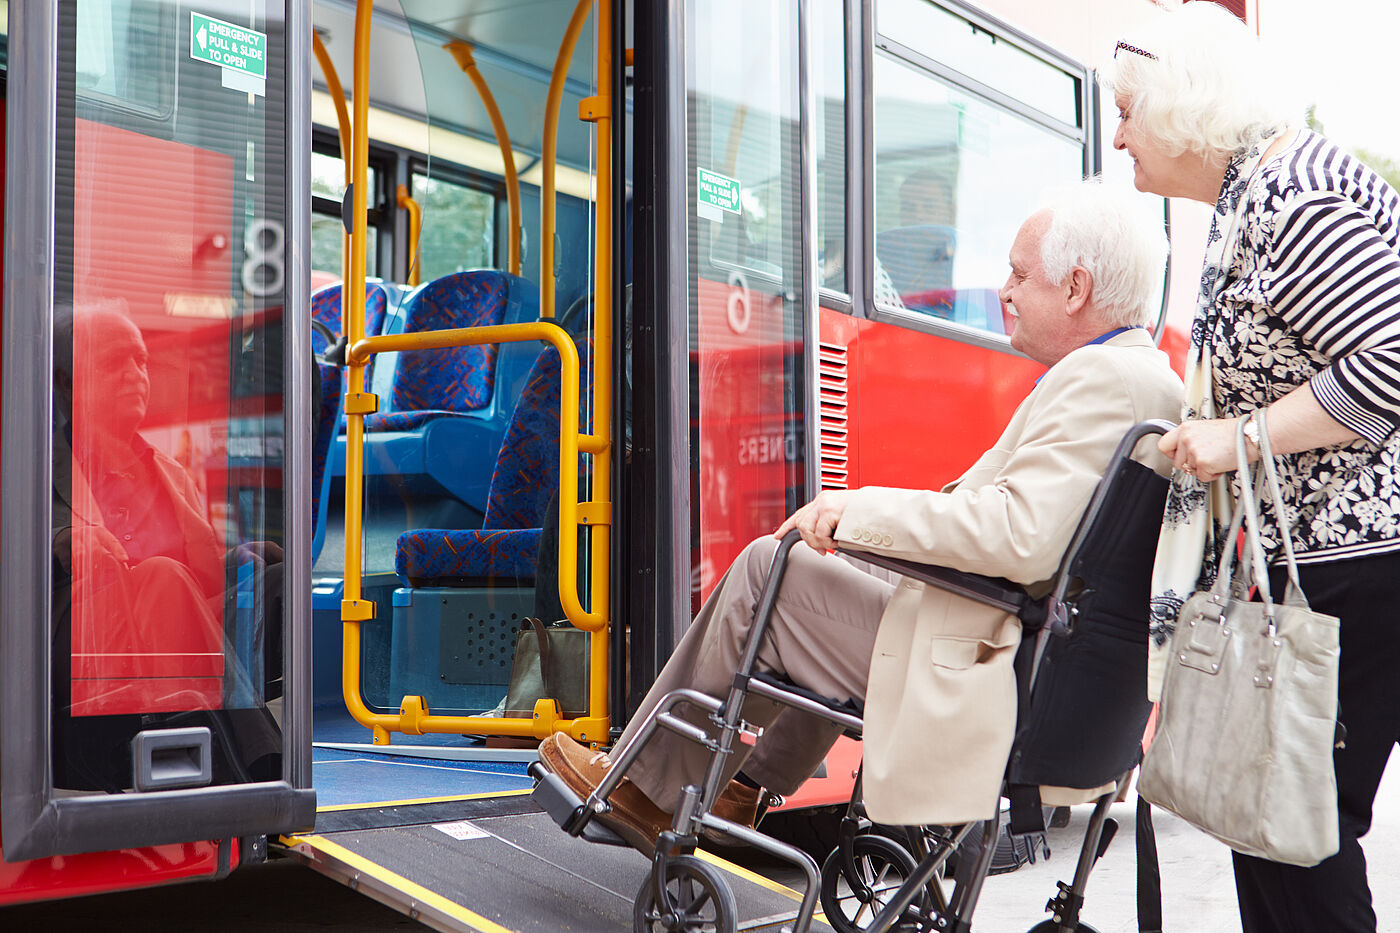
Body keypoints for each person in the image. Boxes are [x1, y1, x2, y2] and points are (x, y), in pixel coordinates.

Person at [538, 179, 1183, 855]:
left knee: (770, 569)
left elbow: (1017, 537)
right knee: (821, 568)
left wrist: (855, 509)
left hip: (996, 679)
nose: (1006, 291)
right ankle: (741, 787)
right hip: (1041, 670)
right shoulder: (1144, 380)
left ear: (1076, 288)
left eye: (1022, 275)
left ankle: (644, 789)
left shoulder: (1101, 379)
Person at [1109, 5, 1400, 931]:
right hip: (1309, 567)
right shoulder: (1250, 196)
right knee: (1263, 822)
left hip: (1358, 566)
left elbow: (1389, 364)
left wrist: (1241, 438)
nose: (1116, 135)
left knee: (1302, 832)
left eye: (1127, 112)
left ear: (1183, 106)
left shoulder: (1297, 195)